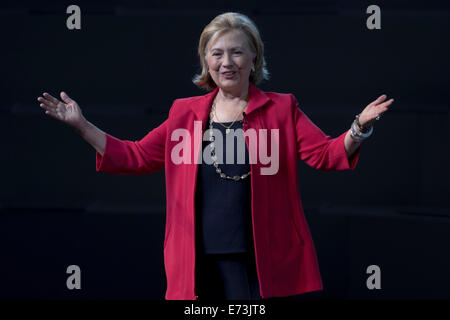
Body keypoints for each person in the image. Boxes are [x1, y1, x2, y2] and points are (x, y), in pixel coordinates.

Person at [37, 12, 393, 301]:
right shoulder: (184, 113)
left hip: (258, 259)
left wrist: (358, 127)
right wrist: (82, 126)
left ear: (254, 57)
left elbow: (325, 154)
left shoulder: (282, 109)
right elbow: (136, 155)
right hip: (195, 261)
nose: (227, 62)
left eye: (237, 52)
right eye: (217, 53)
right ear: (206, 61)